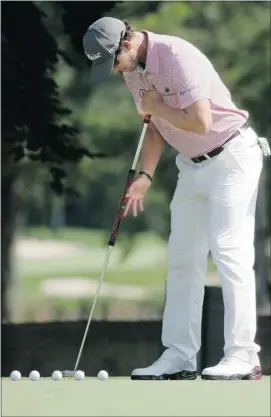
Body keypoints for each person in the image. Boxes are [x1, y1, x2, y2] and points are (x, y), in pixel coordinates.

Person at [83, 17, 270, 380]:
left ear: (126, 43)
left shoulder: (177, 56)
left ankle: (244, 355)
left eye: (113, 62)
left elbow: (200, 122)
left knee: (230, 251)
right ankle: (180, 356)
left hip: (231, 157)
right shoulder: (131, 70)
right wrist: (145, 176)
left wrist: (155, 105)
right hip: (191, 164)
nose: (114, 71)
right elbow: (153, 127)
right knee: (182, 256)